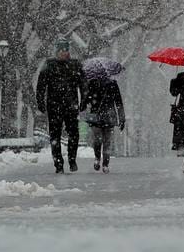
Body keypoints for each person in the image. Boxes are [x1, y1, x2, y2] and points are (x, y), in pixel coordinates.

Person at [35, 40, 84, 173]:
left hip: (71, 105)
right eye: (61, 51)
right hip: (54, 105)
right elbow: (41, 86)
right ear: (57, 52)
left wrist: (84, 100)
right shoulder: (49, 65)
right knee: (54, 135)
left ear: (68, 51)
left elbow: (83, 84)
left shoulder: (75, 65)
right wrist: (40, 102)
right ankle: (58, 163)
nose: (63, 53)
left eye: (65, 50)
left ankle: (72, 159)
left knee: (74, 133)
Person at [81, 69, 125, 173]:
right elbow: (86, 98)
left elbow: (118, 101)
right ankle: (98, 159)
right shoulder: (92, 83)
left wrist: (122, 118)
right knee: (99, 140)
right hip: (99, 116)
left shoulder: (112, 84)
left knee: (105, 141)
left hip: (107, 116)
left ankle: (105, 163)